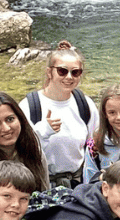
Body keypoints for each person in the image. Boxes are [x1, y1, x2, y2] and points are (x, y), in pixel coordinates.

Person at [28, 45, 100, 189]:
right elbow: (22, 150)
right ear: (49, 72)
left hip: (77, 184)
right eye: (62, 71)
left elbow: (94, 144)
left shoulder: (85, 104)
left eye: (75, 72)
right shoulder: (30, 106)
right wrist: (43, 131)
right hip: (42, 185)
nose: (69, 77)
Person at [83, 83, 120, 185]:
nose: (119, 117)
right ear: (105, 114)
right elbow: (89, 183)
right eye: (112, 112)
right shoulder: (95, 145)